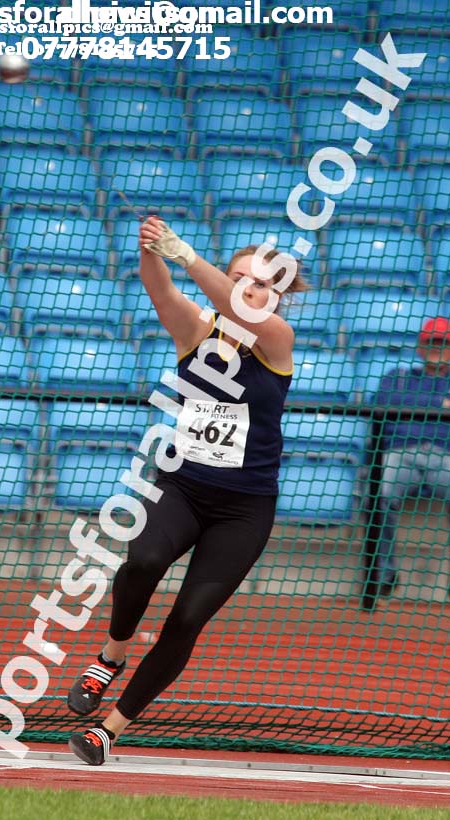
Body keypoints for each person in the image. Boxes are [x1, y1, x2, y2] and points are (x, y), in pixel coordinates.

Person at [67, 216, 307, 765]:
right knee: (144, 559)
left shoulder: (278, 340)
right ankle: (111, 655)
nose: (250, 288)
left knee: (188, 619)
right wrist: (152, 249)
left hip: (243, 510)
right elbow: (161, 290)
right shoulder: (197, 332)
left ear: (278, 297)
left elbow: (242, 312)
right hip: (182, 488)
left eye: (262, 283)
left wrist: (188, 255)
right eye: (239, 277)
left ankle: (109, 730)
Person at [371, 317, 450, 597]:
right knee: (379, 492)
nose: (437, 348)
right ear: (420, 347)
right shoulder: (398, 376)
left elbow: (400, 402)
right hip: (400, 454)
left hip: (445, 456)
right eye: (432, 342)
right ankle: (384, 574)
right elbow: (381, 402)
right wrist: (439, 404)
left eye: (444, 343)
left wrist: (416, 404)